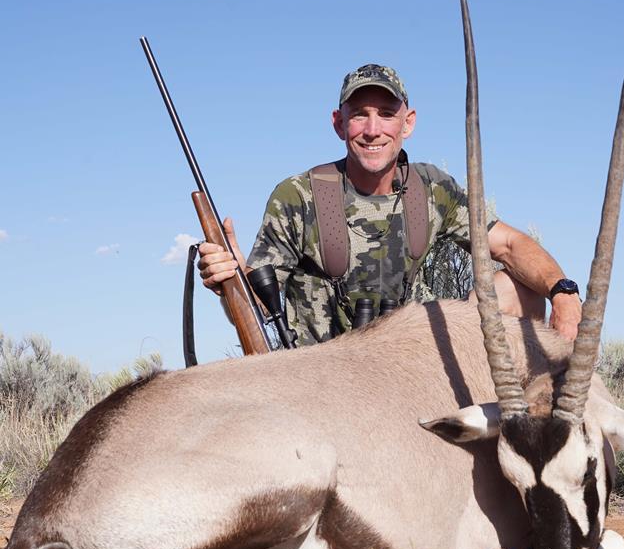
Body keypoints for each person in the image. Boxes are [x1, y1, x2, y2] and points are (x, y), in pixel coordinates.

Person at [198, 64, 582, 346]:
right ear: (338, 123)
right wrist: (233, 280)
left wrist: (564, 292)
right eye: (359, 115)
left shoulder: (433, 188)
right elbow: (260, 311)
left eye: (386, 114)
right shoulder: (298, 195)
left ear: (407, 123)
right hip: (320, 376)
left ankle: (514, 416)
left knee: (519, 289)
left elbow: (510, 244)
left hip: (406, 364)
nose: (372, 130)